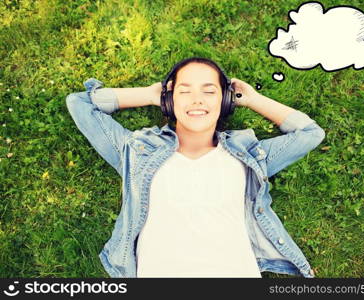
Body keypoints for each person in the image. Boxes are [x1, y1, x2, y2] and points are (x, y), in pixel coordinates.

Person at [66, 56, 325, 278]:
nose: (197, 100)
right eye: (185, 91)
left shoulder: (249, 156)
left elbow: (310, 133)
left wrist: (252, 99)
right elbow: (80, 103)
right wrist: (147, 94)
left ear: (225, 101)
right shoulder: (136, 152)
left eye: (209, 91)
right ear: (169, 100)